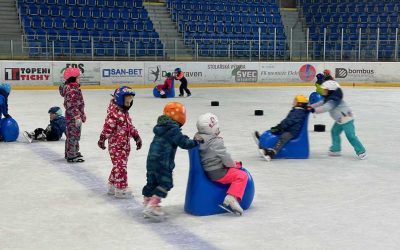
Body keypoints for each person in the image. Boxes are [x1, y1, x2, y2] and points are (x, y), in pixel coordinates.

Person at [142, 102, 200, 218]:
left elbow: (176, 138)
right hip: (163, 162)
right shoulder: (173, 128)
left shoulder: (161, 127)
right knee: (166, 183)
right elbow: (183, 143)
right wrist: (196, 142)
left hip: (151, 161)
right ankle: (153, 204)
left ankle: (147, 201)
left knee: (152, 182)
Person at [195, 113, 248, 215]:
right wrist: (234, 165)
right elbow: (226, 159)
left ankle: (232, 196)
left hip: (207, 169)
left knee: (235, 165)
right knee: (242, 175)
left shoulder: (198, 138)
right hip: (217, 172)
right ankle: (232, 198)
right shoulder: (215, 142)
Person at [98, 86, 142, 198]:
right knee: (121, 166)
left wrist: (136, 137)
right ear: (119, 100)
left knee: (118, 165)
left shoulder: (124, 112)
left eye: (130, 102)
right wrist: (102, 138)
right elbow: (108, 127)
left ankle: (112, 185)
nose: (128, 104)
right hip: (116, 146)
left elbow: (130, 126)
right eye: (127, 102)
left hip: (124, 145)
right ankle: (121, 189)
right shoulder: (114, 113)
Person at [308, 80, 367, 160]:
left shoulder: (333, 100)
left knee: (350, 136)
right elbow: (321, 102)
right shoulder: (328, 97)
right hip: (340, 120)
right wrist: (311, 106)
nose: (323, 91)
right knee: (334, 132)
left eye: (325, 89)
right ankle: (336, 150)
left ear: (330, 91)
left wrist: (314, 110)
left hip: (347, 119)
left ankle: (361, 151)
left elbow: (326, 107)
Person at [253, 95, 310, 161]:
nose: (293, 102)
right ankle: (262, 141)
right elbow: (287, 121)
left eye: (295, 101)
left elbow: (289, 121)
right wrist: (279, 127)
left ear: (300, 103)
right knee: (272, 130)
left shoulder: (298, 112)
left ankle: (272, 152)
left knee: (283, 137)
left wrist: (280, 127)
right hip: (289, 129)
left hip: (292, 132)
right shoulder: (297, 111)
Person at [60, 67, 86, 163]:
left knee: (73, 135)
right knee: (73, 136)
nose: (79, 78)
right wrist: (77, 116)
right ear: (73, 78)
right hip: (73, 118)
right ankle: (71, 155)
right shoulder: (71, 89)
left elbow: (78, 103)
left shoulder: (74, 87)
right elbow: (71, 105)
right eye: (78, 77)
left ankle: (72, 151)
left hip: (74, 116)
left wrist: (82, 114)